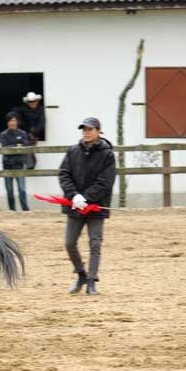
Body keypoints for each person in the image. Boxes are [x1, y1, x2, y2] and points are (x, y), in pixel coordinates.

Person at [59, 117, 116, 295]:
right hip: (74, 206)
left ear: (98, 131)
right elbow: (64, 174)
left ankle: (92, 280)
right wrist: (74, 195)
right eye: (84, 129)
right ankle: (81, 273)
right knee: (69, 243)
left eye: (90, 129)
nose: (86, 132)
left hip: (96, 207)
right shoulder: (73, 151)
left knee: (95, 243)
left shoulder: (107, 154)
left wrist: (86, 197)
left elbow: (105, 182)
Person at [0, 113, 30, 211]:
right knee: (9, 191)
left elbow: (25, 146)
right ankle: (12, 210)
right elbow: (5, 148)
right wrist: (17, 146)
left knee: (22, 189)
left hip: (20, 164)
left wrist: (14, 147)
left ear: (17, 122)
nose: (13, 123)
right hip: (7, 165)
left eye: (14, 120)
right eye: (11, 121)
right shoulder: (3, 135)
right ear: (7, 122)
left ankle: (25, 210)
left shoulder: (23, 133)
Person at [13, 91, 46, 169]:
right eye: (30, 101)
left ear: (37, 101)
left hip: (37, 134)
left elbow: (42, 124)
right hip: (26, 133)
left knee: (27, 144)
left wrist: (34, 133)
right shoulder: (22, 109)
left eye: (33, 101)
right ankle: (30, 163)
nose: (32, 103)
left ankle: (30, 164)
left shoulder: (41, 110)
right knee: (24, 142)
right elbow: (16, 114)